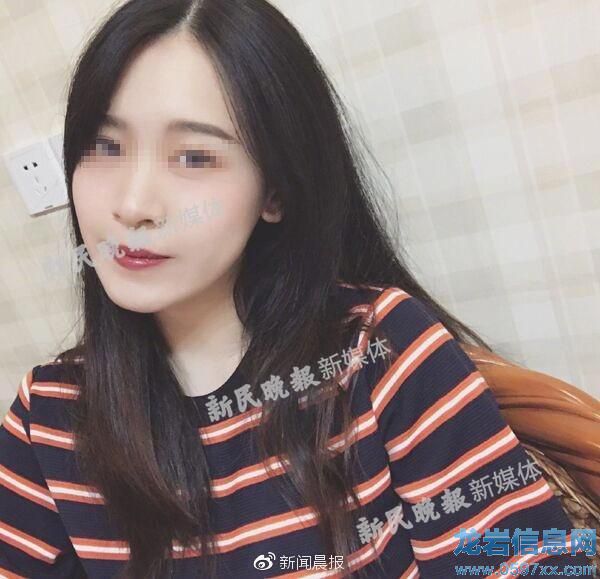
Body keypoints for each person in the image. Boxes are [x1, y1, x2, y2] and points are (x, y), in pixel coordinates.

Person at [0, 0, 593, 577]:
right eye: (106, 146)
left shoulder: (377, 351)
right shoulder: (48, 411)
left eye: (195, 157)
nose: (133, 205)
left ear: (275, 192)